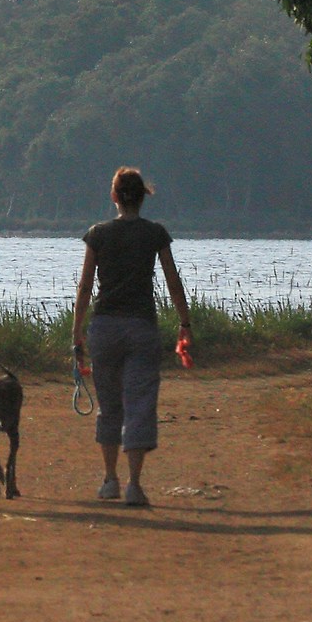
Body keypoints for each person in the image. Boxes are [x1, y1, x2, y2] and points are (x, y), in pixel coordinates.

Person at [72, 166, 192, 507]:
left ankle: (110, 479)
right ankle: (135, 485)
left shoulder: (98, 234)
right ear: (143, 198)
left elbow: (84, 288)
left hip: (105, 327)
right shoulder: (155, 234)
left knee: (109, 405)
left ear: (114, 197)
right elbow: (172, 281)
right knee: (139, 405)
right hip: (141, 327)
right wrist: (185, 323)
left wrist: (77, 332)